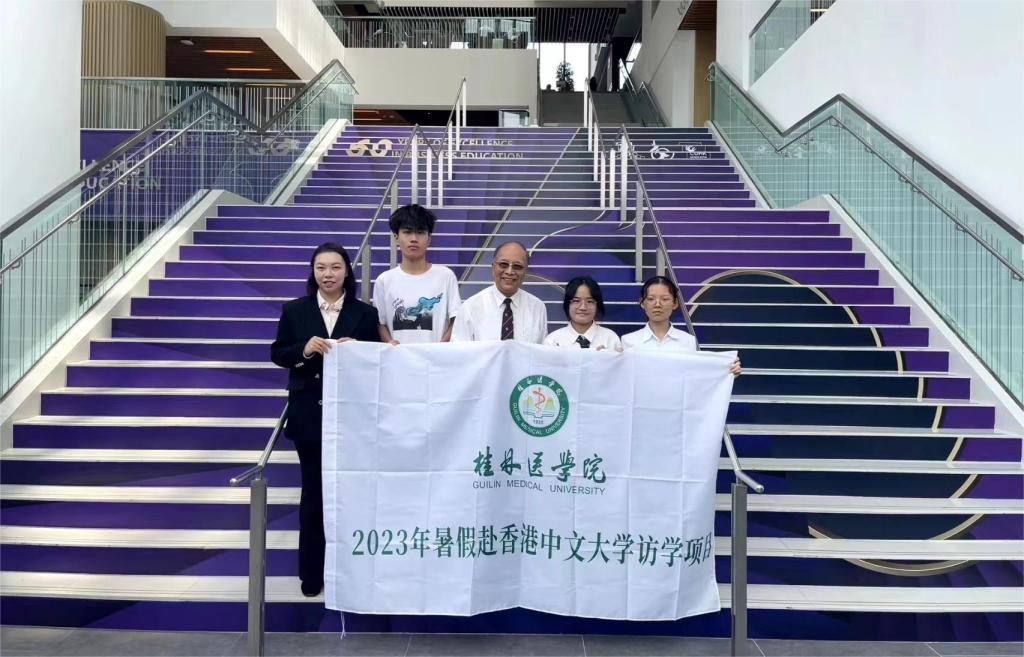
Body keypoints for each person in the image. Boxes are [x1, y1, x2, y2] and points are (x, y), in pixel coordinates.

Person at [270, 242, 380, 597]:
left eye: (335, 267)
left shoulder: (366, 313)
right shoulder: (295, 310)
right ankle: (312, 572)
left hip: (353, 419)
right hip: (309, 418)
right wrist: (304, 350)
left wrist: (357, 350)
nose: (328, 274)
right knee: (314, 497)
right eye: (321, 268)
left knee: (355, 495)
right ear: (313, 272)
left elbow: (378, 361)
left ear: (347, 271)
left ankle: (354, 570)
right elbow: (278, 353)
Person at [372, 204, 461, 344]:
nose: (414, 238)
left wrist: (440, 348)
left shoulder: (445, 276)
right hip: (397, 356)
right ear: (396, 237)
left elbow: (456, 320)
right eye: (407, 232)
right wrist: (390, 343)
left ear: (429, 239)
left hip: (436, 356)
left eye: (420, 232)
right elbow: (380, 323)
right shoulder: (384, 280)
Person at [622, 275, 742, 375]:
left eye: (665, 299)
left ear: (675, 303)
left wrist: (726, 370)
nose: (657, 304)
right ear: (642, 303)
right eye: (651, 299)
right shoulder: (628, 341)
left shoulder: (687, 341)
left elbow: (697, 376)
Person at [450, 241, 548, 343]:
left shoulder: (537, 308)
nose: (509, 272)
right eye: (503, 264)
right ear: (493, 267)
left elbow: (540, 350)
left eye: (517, 266)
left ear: (526, 271)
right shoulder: (470, 307)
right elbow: (460, 350)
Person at [543, 275, 621, 350]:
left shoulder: (610, 339)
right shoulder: (552, 341)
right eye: (576, 301)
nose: (583, 307)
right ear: (568, 304)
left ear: (597, 305)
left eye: (589, 301)